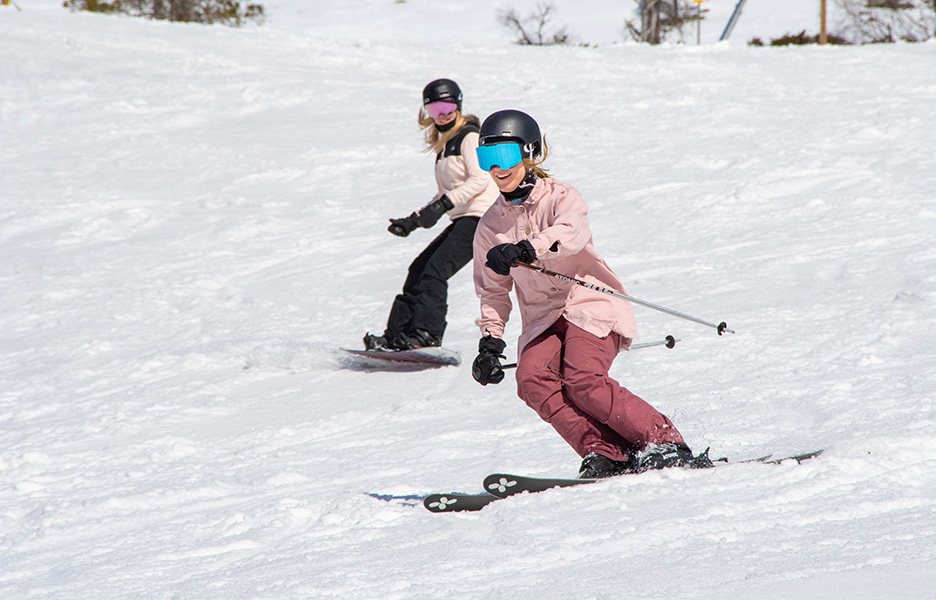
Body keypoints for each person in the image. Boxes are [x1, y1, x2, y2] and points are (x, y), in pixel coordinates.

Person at [470, 109, 713, 478]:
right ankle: (605, 451)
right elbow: (492, 291)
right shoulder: (490, 226)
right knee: (532, 379)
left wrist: (526, 248)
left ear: (529, 152)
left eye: (504, 156)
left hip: (590, 305)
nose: (497, 169)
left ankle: (664, 442)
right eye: (487, 158)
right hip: (543, 319)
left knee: (582, 379)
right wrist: (490, 342)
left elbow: (571, 233)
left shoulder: (561, 197)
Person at [364, 79, 499, 351]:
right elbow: (446, 192)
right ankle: (397, 335)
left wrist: (442, 206)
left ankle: (427, 334)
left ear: (458, 104)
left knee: (435, 271)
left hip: (482, 217)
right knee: (418, 269)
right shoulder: (445, 144)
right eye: (435, 107)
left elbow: (480, 180)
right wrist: (415, 219)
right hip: (464, 217)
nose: (443, 113)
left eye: (448, 105)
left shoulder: (469, 136)